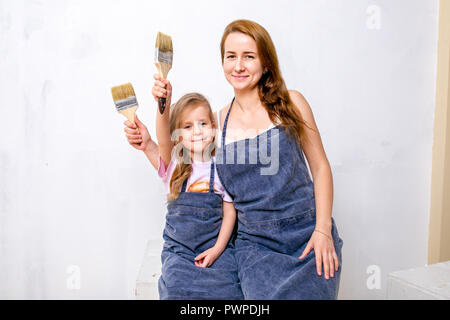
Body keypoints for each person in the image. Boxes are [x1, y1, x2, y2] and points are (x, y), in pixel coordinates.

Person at [212, 19, 344, 299]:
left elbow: (320, 167)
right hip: (256, 248)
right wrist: (153, 132)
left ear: (266, 62)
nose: (238, 66)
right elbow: (173, 164)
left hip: (308, 237)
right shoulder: (216, 123)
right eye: (231, 56)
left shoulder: (292, 102)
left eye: (249, 56)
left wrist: (322, 231)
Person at [123, 88, 243, 299]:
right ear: (176, 137)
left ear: (214, 128)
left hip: (215, 248)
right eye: (187, 127)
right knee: (176, 288)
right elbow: (159, 140)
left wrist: (217, 249)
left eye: (203, 123)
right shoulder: (174, 167)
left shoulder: (222, 168)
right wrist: (163, 103)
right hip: (180, 252)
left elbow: (230, 213)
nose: (197, 131)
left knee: (229, 289)